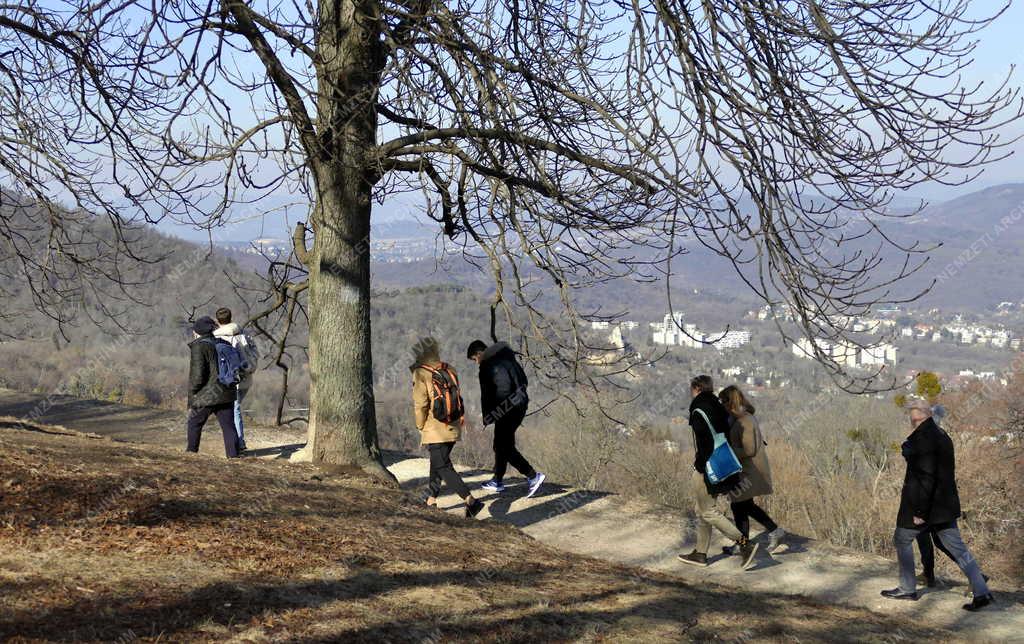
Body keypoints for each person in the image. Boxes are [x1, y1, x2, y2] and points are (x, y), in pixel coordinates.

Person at [881, 398, 994, 611]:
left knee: (902, 539)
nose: (909, 417)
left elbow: (926, 478)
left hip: (924, 506)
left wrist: (920, 512)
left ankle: (907, 588)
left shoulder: (924, 439)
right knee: (958, 549)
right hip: (944, 506)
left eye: (911, 413)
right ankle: (982, 592)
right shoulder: (941, 435)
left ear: (917, 416)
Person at [677, 375, 758, 570]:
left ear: (696, 388)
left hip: (708, 467)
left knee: (708, 511)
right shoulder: (718, 405)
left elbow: (704, 444)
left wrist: (701, 466)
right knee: (703, 509)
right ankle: (700, 553)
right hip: (724, 462)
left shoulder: (698, 410)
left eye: (692, 389)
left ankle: (744, 544)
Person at [412, 338, 484, 518]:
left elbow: (420, 404)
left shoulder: (421, 373)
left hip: (435, 428)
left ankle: (470, 501)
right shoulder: (449, 368)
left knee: (442, 465)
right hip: (453, 425)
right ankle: (431, 499)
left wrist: (420, 425)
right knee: (437, 462)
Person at [467, 339, 545, 498]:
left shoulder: (491, 364)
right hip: (517, 405)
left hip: (507, 409)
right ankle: (497, 480)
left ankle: (532, 476)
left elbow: (502, 389)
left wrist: (495, 412)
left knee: (504, 447)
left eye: (475, 359)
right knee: (500, 444)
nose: (476, 363)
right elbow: (523, 380)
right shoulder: (507, 358)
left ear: (479, 353)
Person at [718, 385, 786, 553]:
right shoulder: (736, 417)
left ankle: (746, 543)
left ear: (730, 402)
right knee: (743, 505)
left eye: (723, 401)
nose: (721, 404)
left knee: (740, 504)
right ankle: (763, 535)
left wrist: (727, 452)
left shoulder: (746, 420)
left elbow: (749, 450)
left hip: (750, 470)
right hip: (743, 469)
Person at [186, 316, 239, 458]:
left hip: (207, 395)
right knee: (228, 427)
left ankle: (190, 455)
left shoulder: (199, 346)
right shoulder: (223, 342)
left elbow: (198, 375)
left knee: (194, 423)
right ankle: (234, 458)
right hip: (227, 392)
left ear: (197, 332)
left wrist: (193, 393)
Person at [213, 307, 258, 452]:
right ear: (230, 318)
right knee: (235, 408)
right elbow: (255, 353)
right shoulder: (244, 334)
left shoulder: (220, 338)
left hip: (233, 380)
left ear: (218, 321)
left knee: (234, 409)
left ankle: (239, 442)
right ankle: (237, 441)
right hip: (247, 378)